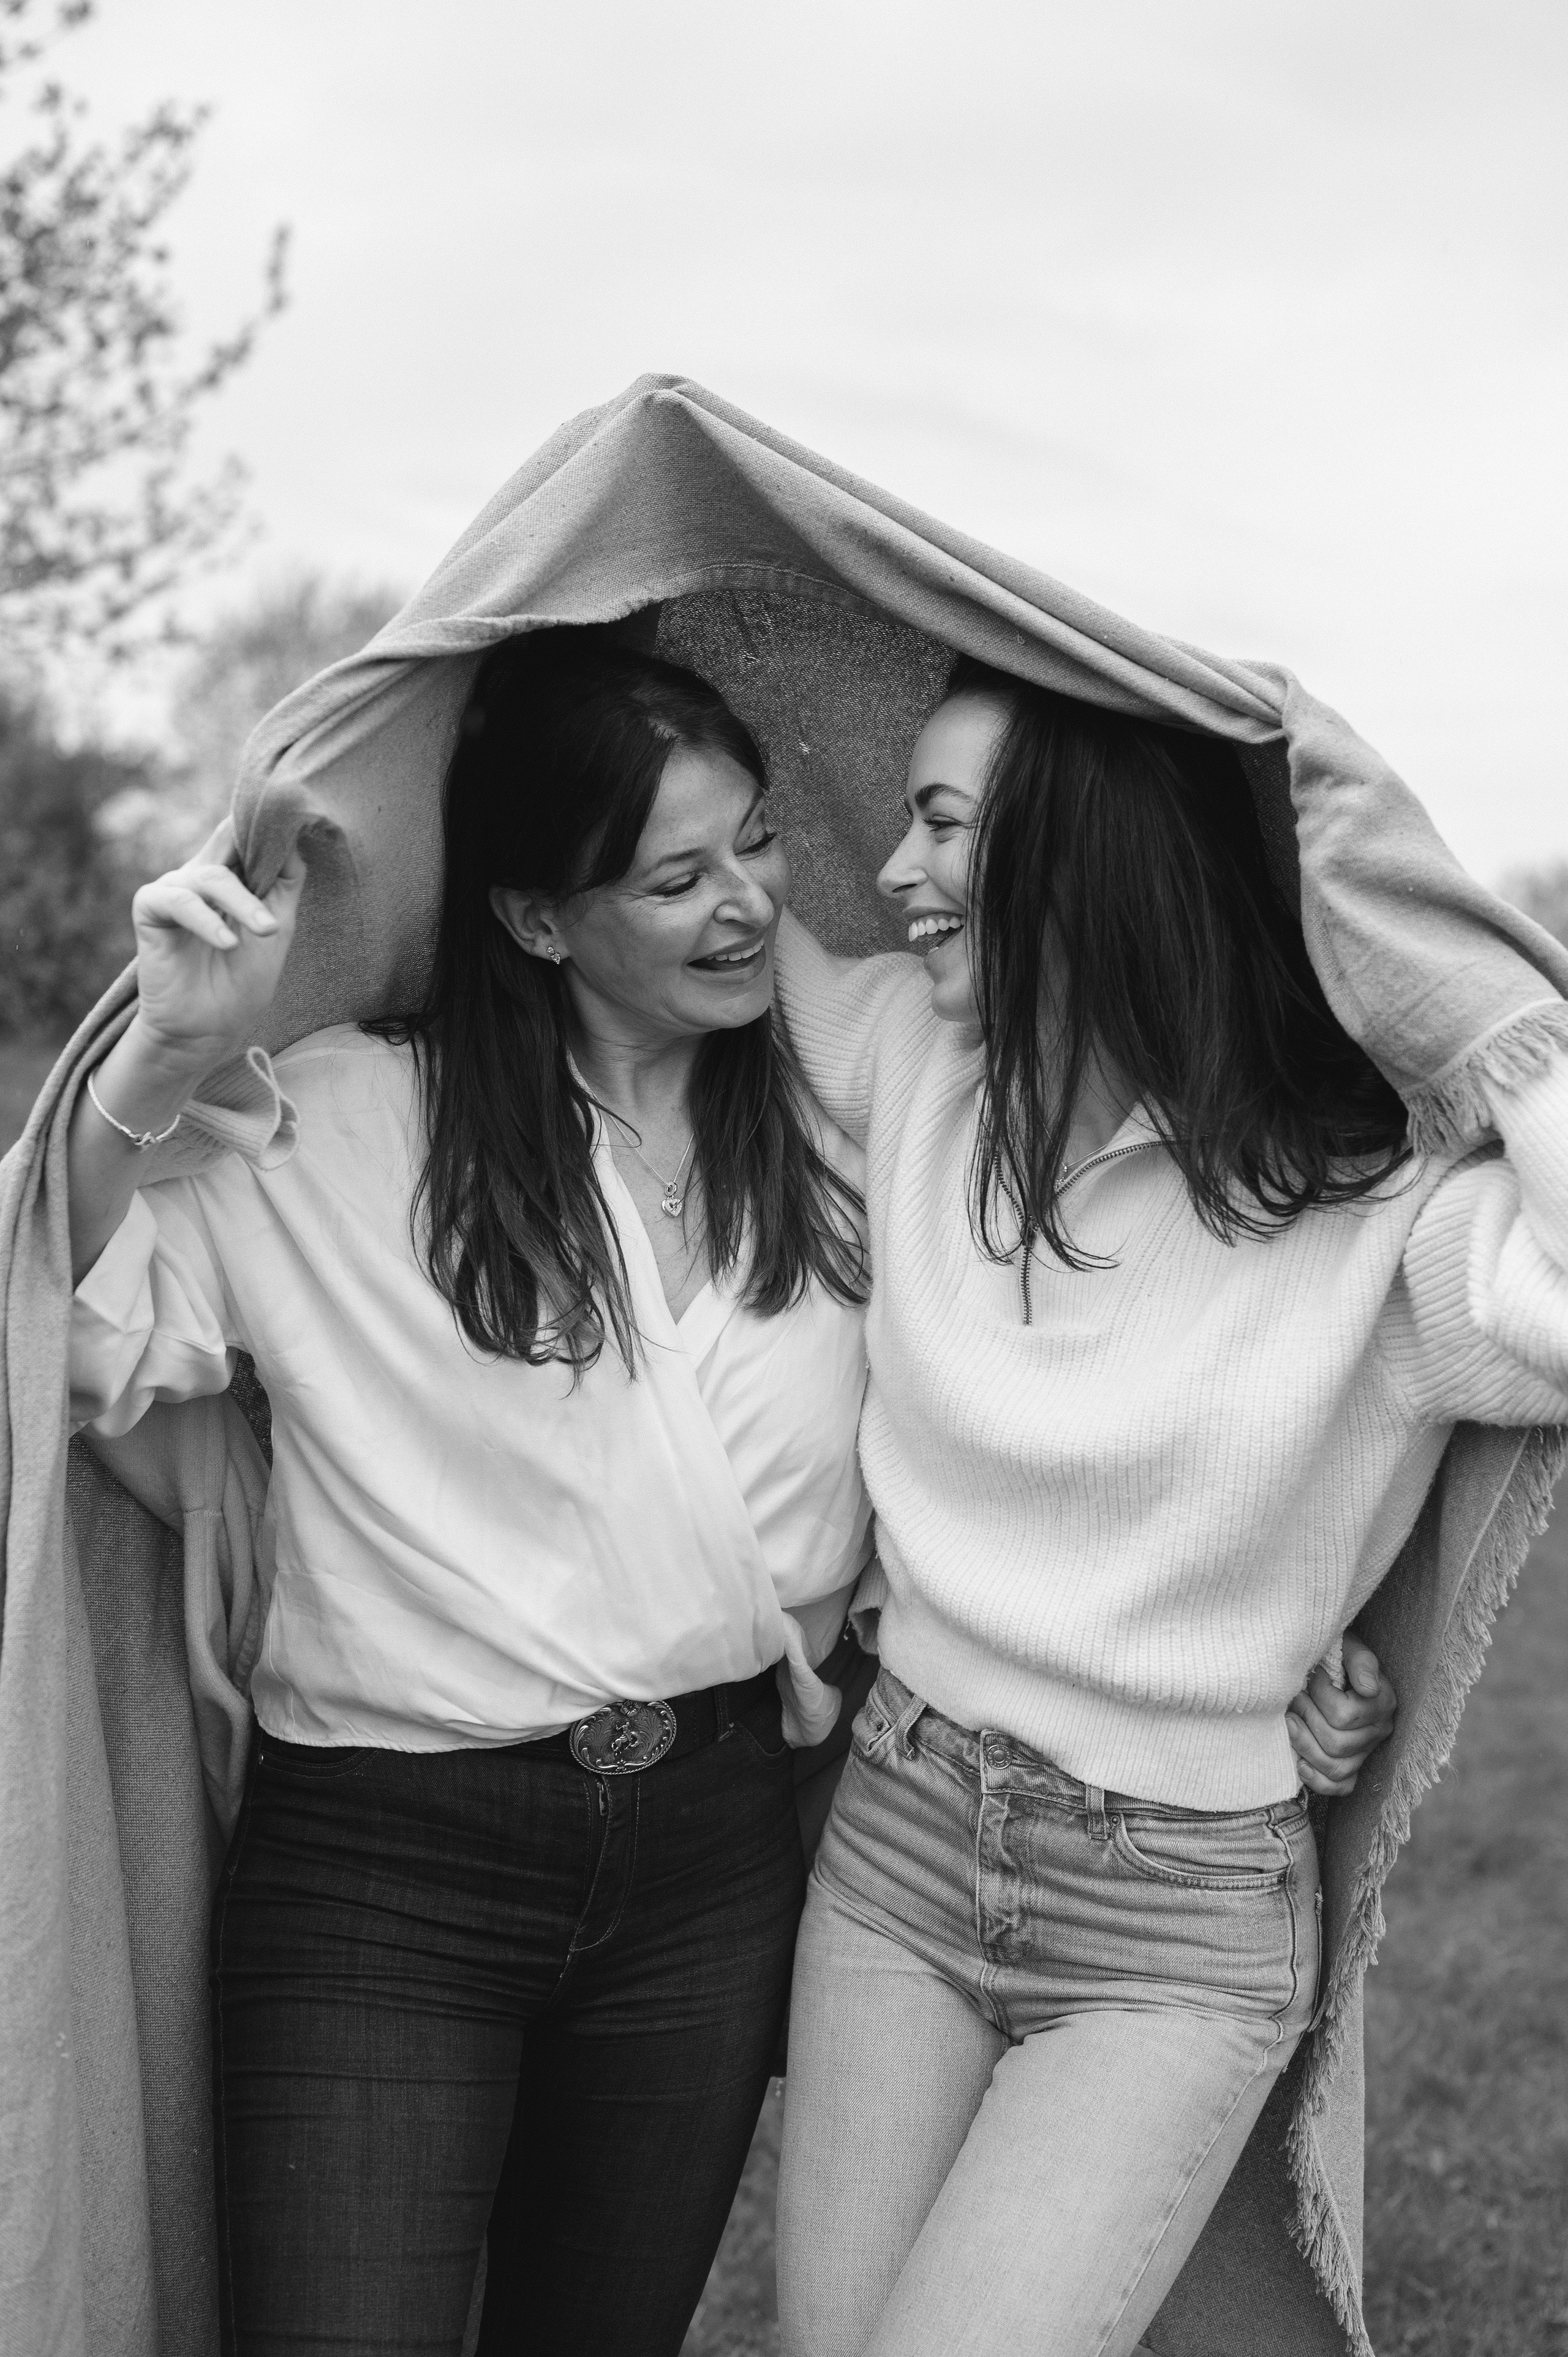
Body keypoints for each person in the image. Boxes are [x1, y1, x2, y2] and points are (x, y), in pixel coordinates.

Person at [64, 634, 875, 2357]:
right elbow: (59, 1330)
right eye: (676, 875)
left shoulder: (843, 1122)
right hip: (388, 1871)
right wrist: (158, 1060)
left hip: (715, 1863)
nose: (746, 903)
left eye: (757, 845)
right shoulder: (338, 1125)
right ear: (532, 917)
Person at [772, 658, 1568, 2357]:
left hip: (1172, 1919)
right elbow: (651, 887)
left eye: (939, 824)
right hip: (898, 1839)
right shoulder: (908, 1057)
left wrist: (1484, 1018)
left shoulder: (1373, 1215)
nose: (893, 872)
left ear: (1086, 858)